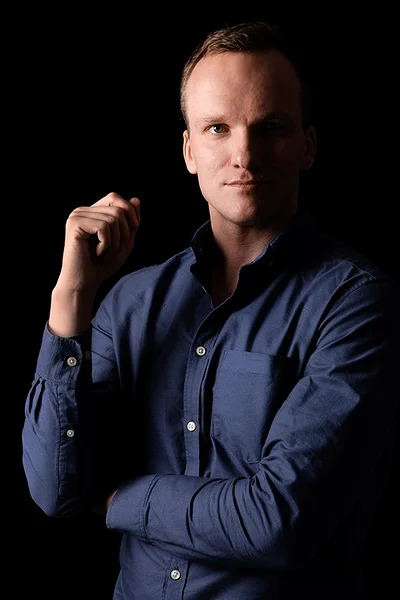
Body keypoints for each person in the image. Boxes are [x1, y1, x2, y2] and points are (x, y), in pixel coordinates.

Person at [22, 19, 400, 600]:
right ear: (190, 150)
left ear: (308, 145)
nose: (244, 154)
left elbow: (280, 519)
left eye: (270, 127)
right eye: (218, 128)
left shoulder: (354, 302)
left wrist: (122, 498)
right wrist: (71, 297)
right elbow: (54, 488)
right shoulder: (131, 300)